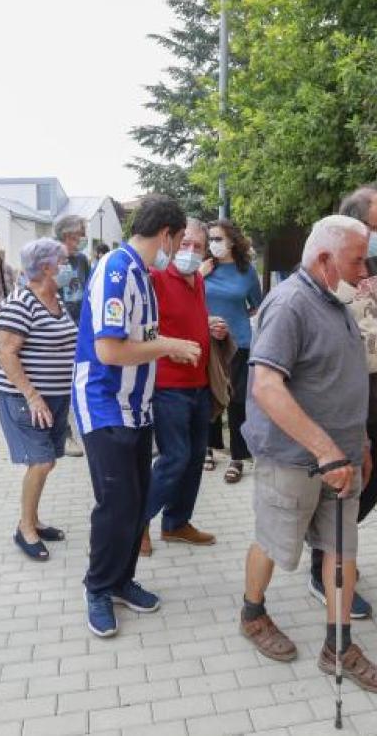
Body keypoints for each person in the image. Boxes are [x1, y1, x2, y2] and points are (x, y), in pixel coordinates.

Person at [239, 214, 377, 696]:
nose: (365, 267)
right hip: (293, 458)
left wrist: (359, 445)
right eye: (356, 258)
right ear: (325, 259)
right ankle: (252, 612)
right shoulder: (289, 304)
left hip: (342, 459)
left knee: (341, 551)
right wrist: (328, 450)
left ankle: (339, 644)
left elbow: (341, 382)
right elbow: (266, 385)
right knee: (274, 542)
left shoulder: (335, 300)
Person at [73, 194, 201, 638]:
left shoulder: (143, 274)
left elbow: (138, 335)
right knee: (116, 503)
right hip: (105, 403)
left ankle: (121, 579)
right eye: (181, 240)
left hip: (136, 406)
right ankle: (97, 588)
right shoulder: (117, 270)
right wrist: (170, 346)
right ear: (166, 234)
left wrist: (168, 342)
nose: (181, 250)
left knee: (136, 499)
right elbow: (109, 350)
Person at [299, 184, 377, 620]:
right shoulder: (334, 265)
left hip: (373, 383)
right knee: (349, 481)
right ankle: (327, 567)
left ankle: (329, 550)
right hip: (343, 389)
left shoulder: (370, 264)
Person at [141, 219, 223, 557]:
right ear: (173, 241)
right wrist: (172, 345)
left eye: (197, 247)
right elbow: (141, 331)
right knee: (174, 458)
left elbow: (188, 318)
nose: (189, 252)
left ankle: (176, 524)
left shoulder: (198, 280)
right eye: (185, 244)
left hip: (199, 384)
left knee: (193, 460)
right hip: (168, 386)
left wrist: (211, 326)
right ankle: (137, 522)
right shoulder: (157, 278)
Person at [0, 239, 77, 561]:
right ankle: (25, 530)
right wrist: (33, 396)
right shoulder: (20, 302)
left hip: (55, 398)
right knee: (41, 462)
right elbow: (6, 353)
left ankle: (33, 520)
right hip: (24, 398)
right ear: (46, 267)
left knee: (46, 462)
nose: (69, 267)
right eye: (64, 261)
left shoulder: (57, 300)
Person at [201, 219, 263, 483]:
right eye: (210, 239)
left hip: (239, 342)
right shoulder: (201, 269)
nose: (214, 244)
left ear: (232, 240)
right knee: (209, 396)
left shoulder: (247, 271)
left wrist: (235, 318)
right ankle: (208, 448)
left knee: (237, 401)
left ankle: (238, 457)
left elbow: (257, 305)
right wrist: (198, 275)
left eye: (218, 238)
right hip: (206, 341)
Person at [55, 215, 93, 457]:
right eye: (79, 234)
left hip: (80, 326)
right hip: (57, 326)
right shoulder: (49, 256)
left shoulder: (81, 259)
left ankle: (83, 430)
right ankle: (64, 435)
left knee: (78, 381)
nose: (81, 239)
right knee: (60, 383)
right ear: (67, 235)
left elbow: (88, 289)